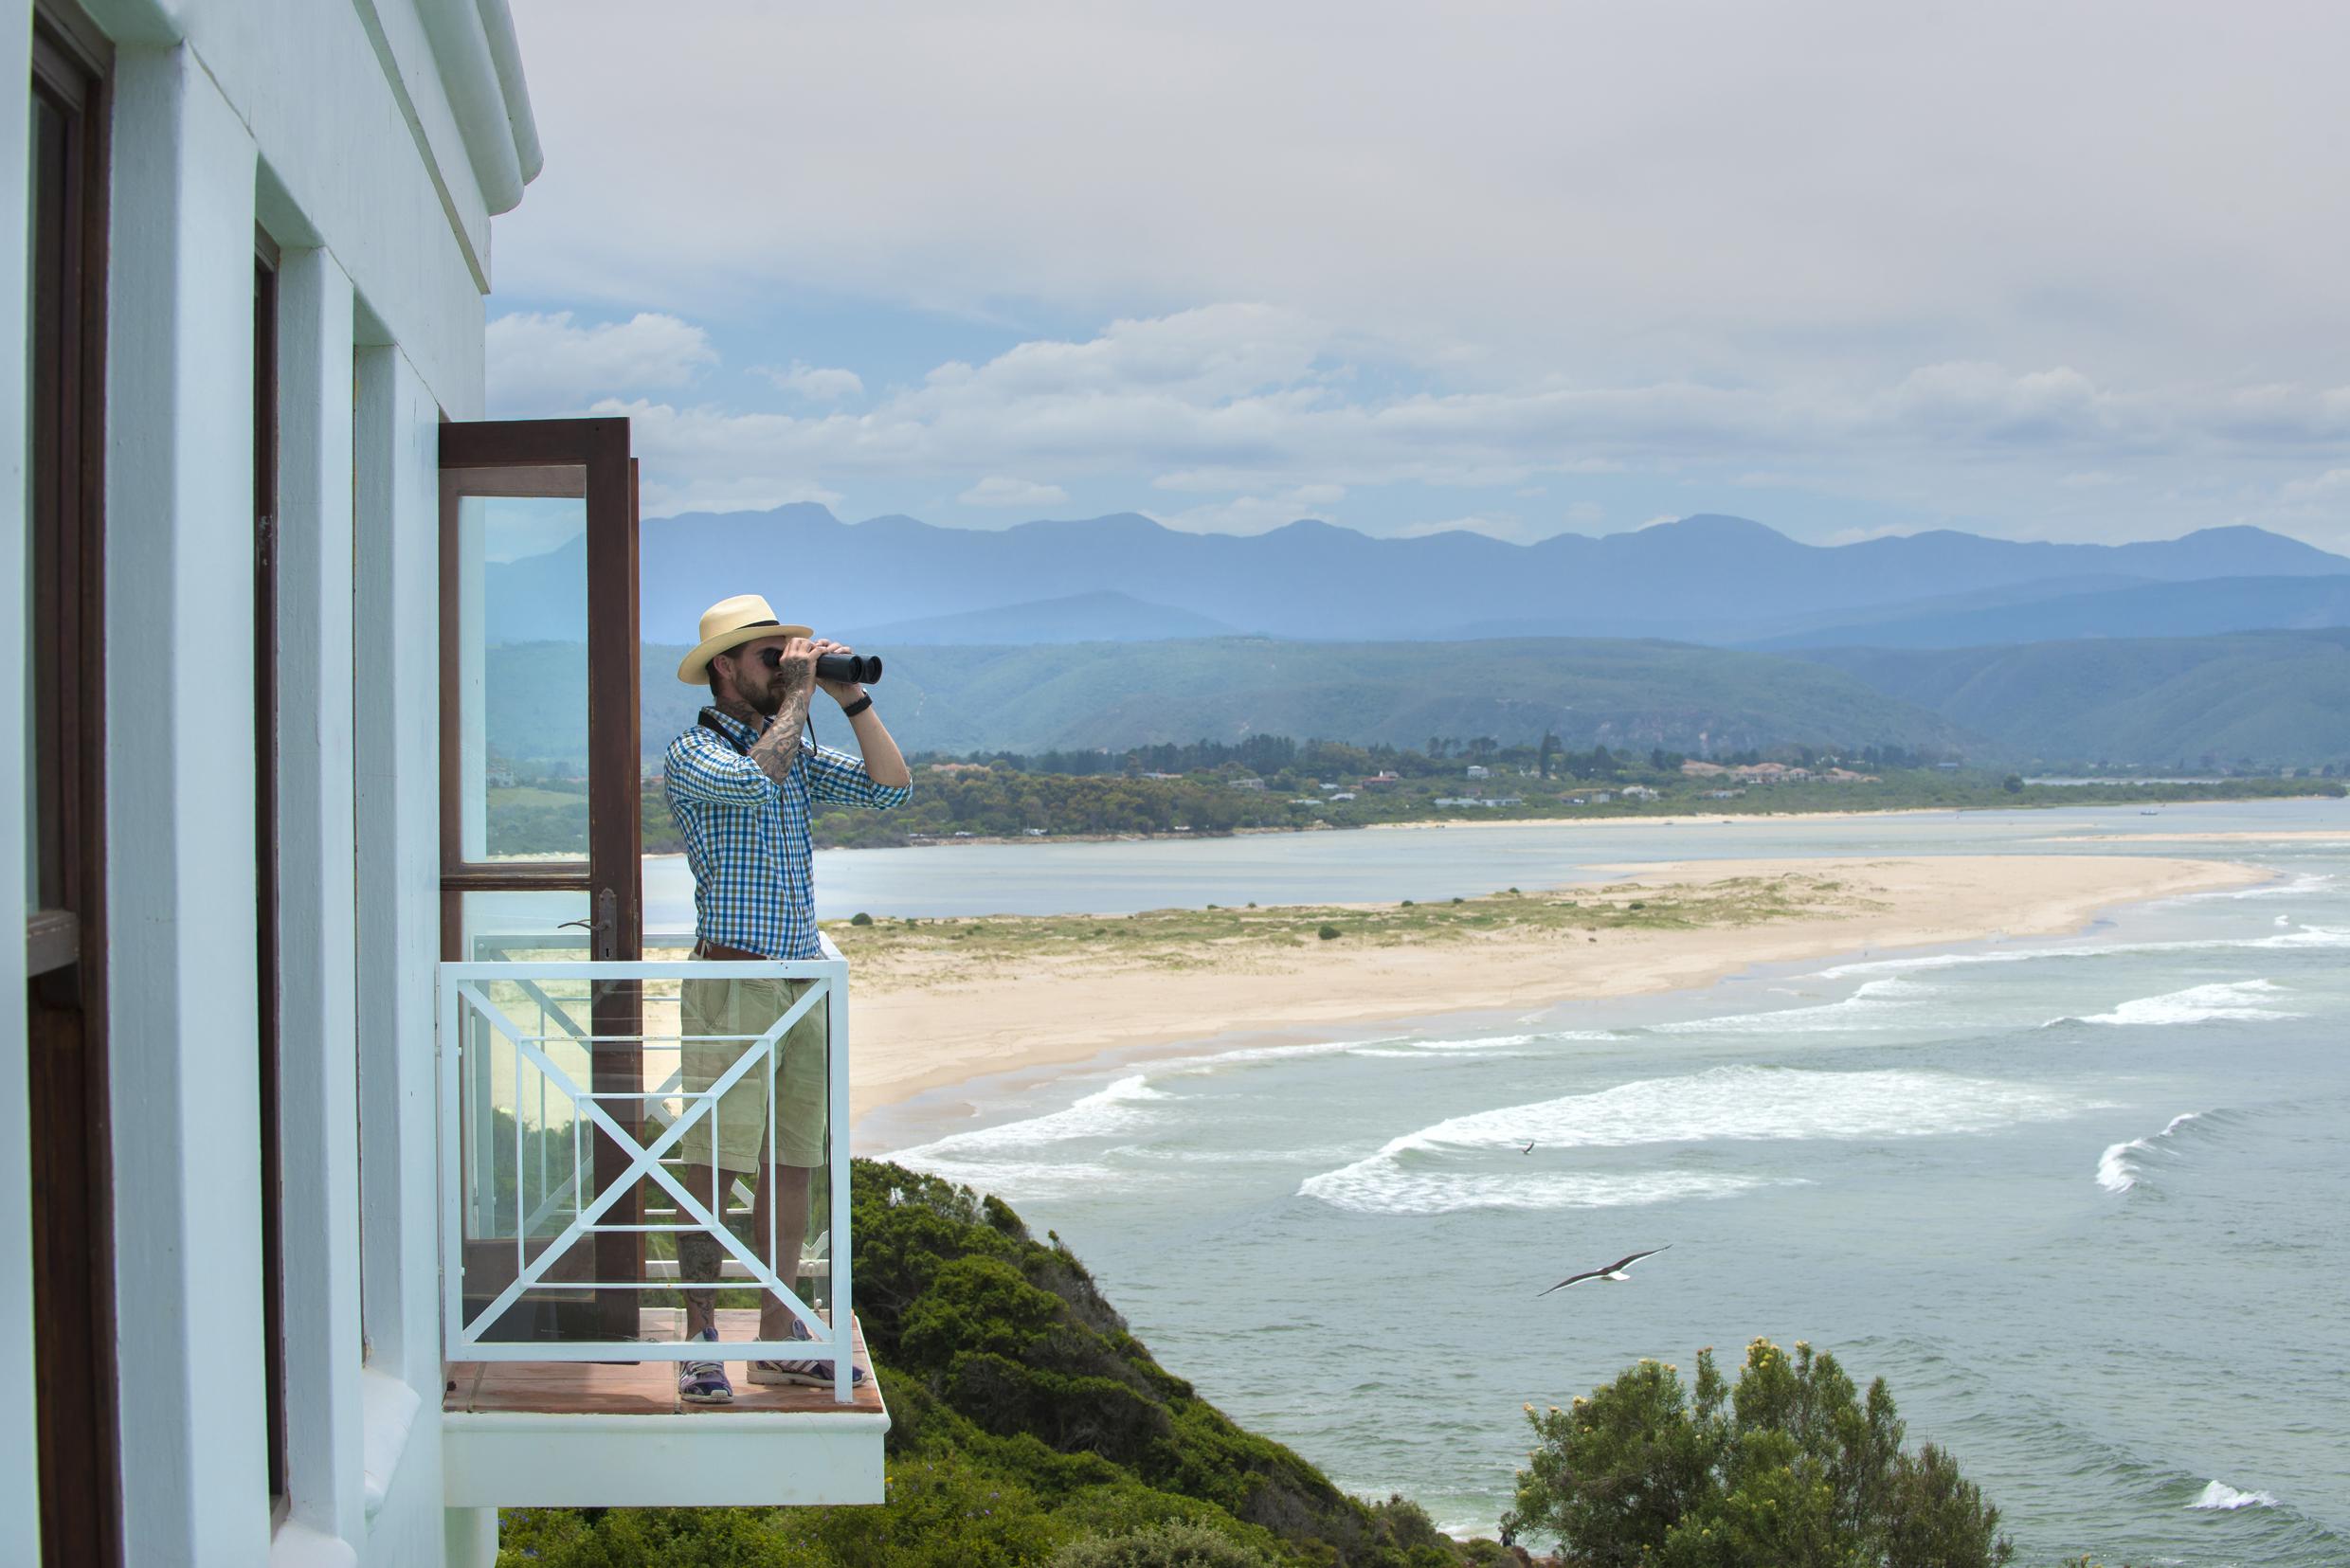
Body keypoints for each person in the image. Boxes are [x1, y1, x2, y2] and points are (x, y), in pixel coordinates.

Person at [660, 592, 912, 1403]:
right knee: (710, 1165)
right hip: (732, 979)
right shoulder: (693, 755)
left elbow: (891, 789)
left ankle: (775, 1333)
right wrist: (802, 700)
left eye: (788, 655)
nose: (784, 666)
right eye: (771, 658)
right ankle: (699, 1339)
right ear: (725, 670)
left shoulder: (793, 747)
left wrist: (852, 698)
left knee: (791, 1164)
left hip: (801, 979)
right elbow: (748, 780)